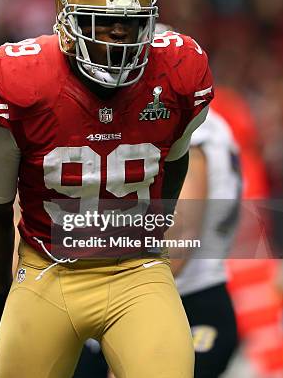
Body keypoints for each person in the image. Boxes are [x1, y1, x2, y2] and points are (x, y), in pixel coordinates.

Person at [0, 0, 213, 378]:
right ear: (66, 22)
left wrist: (148, 235)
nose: (118, 37)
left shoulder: (180, 69)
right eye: (102, 24)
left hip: (136, 269)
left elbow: (174, 165)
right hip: (47, 270)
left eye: (132, 25)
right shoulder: (18, 82)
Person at [91, 107, 242, 378]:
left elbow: (178, 237)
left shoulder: (187, 120)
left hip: (182, 301)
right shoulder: (205, 120)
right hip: (179, 297)